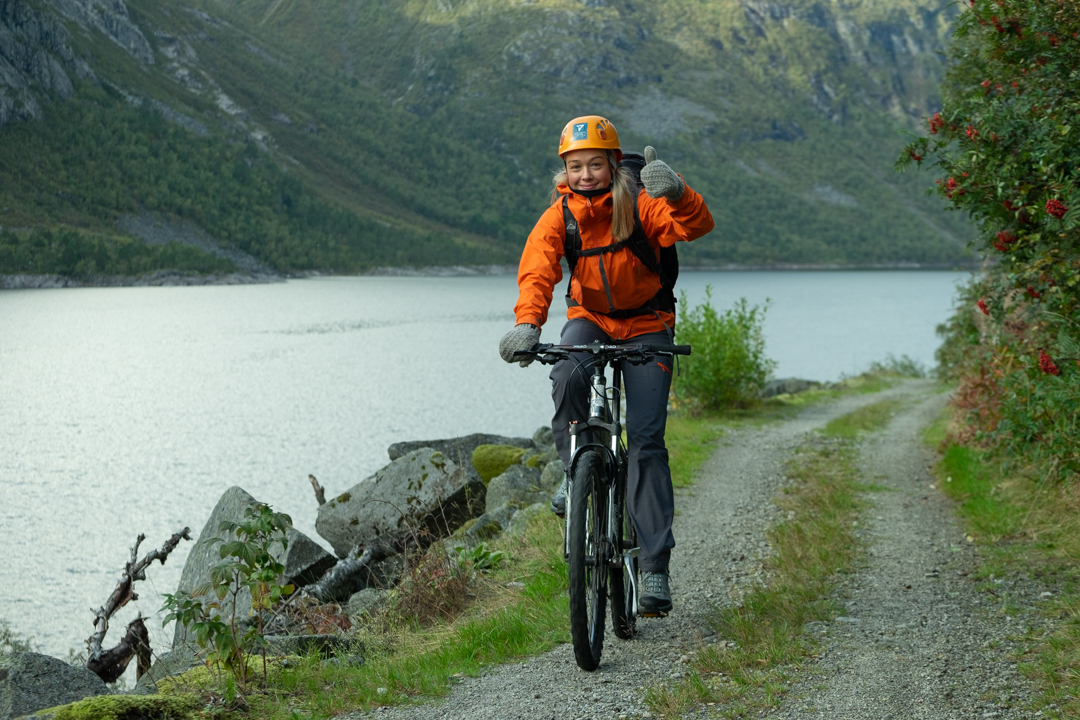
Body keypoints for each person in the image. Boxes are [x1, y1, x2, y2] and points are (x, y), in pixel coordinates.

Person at [498, 115, 714, 616]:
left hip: (647, 323)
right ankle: (576, 468)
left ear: (614, 164)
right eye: (576, 166)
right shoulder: (560, 215)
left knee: (646, 440)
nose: (585, 174)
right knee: (566, 373)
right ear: (565, 170)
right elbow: (538, 270)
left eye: (595, 164)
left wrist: (677, 193)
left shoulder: (640, 202)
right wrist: (528, 324)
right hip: (590, 319)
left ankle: (654, 566)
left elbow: (694, 226)